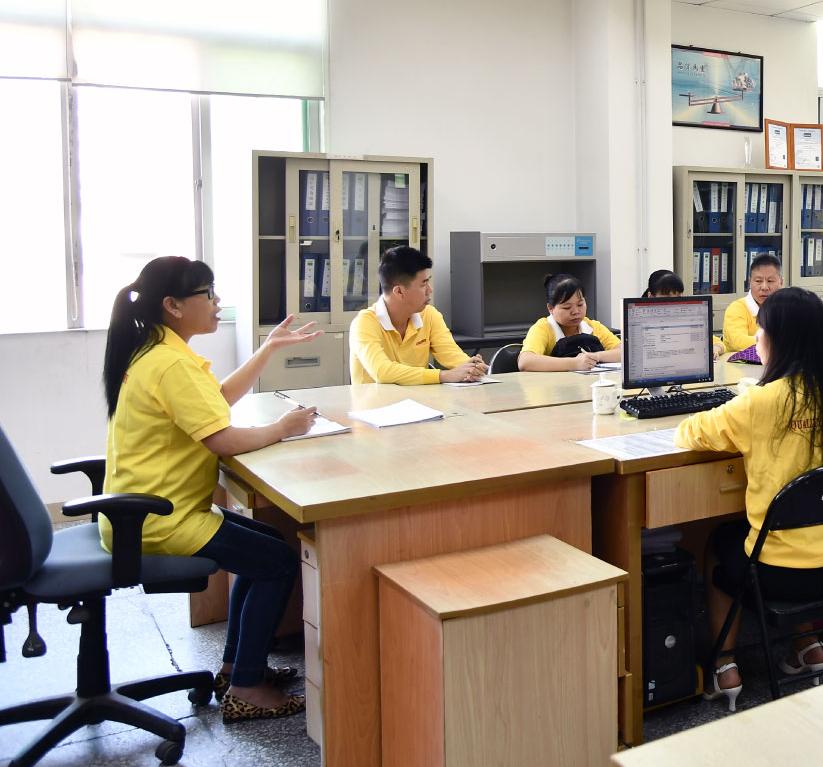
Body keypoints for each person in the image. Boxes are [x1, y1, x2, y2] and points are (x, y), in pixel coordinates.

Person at [101, 256, 320, 721]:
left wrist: (267, 349)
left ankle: (237, 667)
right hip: (158, 517)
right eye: (208, 294)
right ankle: (246, 688)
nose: (218, 303)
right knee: (278, 563)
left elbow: (214, 402)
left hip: (146, 509)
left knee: (267, 546)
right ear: (173, 305)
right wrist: (285, 427)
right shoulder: (169, 363)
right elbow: (220, 437)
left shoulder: (162, 351)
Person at [676, 287, 823, 711]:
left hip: (781, 575)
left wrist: (746, 397)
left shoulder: (759, 403)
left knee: (718, 543)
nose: (756, 339)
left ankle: (725, 666)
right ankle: (807, 645)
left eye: (761, 331)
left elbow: (689, 433)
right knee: (804, 522)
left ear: (779, 341)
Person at [350, 246, 485, 385]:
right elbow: (382, 372)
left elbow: (451, 354)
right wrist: (444, 375)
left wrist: (472, 367)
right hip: (375, 405)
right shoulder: (364, 323)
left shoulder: (429, 315)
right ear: (399, 292)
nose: (430, 290)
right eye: (424, 284)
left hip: (417, 403)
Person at [518, 274, 622, 372]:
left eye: (580, 304)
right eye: (567, 307)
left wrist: (594, 357)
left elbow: (625, 352)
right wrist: (575, 363)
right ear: (550, 308)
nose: (576, 311)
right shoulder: (543, 328)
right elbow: (525, 361)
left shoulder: (593, 326)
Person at [642, 269, 723, 358]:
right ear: (650, 296)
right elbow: (624, 350)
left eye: (678, 297)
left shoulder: (685, 321)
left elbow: (717, 342)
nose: (674, 303)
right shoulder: (640, 322)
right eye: (667, 297)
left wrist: (716, 349)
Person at [722, 252, 783, 352]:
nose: (764, 287)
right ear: (750, 282)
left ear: (781, 283)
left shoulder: (787, 309)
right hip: (739, 366)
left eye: (770, 281)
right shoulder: (737, 309)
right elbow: (739, 342)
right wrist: (781, 343)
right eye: (758, 281)